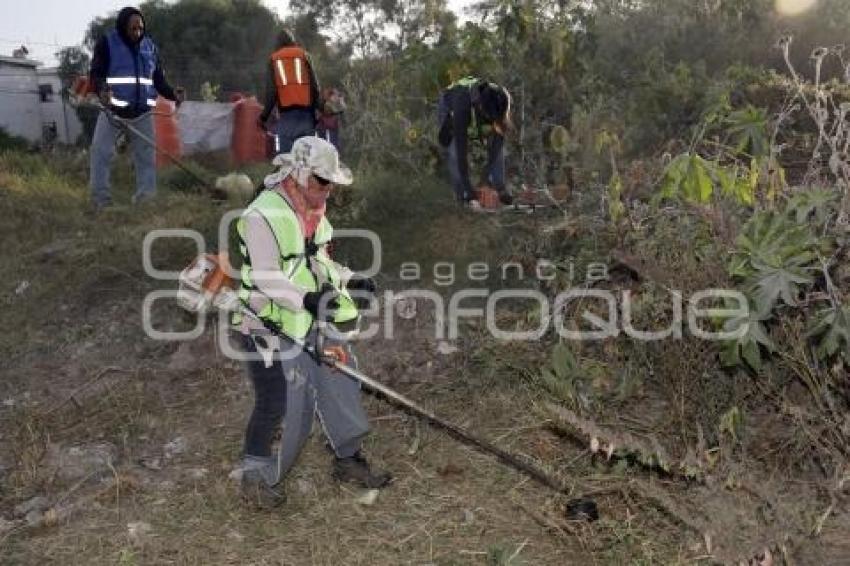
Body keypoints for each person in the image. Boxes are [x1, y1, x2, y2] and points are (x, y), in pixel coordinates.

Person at [232, 136, 391, 508]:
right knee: (277, 402)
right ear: (299, 174)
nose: (328, 188)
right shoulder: (261, 215)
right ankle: (255, 480)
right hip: (267, 324)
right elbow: (266, 275)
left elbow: (315, 261)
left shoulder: (312, 211)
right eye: (322, 180)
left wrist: (350, 278)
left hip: (309, 318)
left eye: (331, 181)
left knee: (340, 377)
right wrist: (306, 299)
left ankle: (347, 460)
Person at [88, 6, 184, 209]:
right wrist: (102, 89)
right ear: (123, 27)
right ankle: (100, 201)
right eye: (133, 29)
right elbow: (96, 73)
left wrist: (172, 93)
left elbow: (159, 80)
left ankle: (146, 199)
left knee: (146, 158)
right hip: (112, 111)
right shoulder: (107, 43)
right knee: (100, 152)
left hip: (142, 114)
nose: (137, 33)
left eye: (140, 28)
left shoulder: (150, 47)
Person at [437, 77, 514, 207]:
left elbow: (497, 145)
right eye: (491, 120)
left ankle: (500, 188)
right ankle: (462, 196)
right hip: (450, 106)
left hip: (479, 112)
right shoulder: (462, 108)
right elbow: (461, 154)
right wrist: (471, 193)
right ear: (480, 108)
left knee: (497, 146)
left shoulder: (502, 99)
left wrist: (484, 180)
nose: (493, 123)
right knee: (454, 152)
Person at [258, 30, 320, 154]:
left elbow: (271, 93)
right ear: (293, 41)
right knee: (308, 160)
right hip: (306, 116)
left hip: (287, 117)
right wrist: (317, 111)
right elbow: (315, 87)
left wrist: (263, 117)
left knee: (287, 161)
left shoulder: (274, 59)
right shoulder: (304, 55)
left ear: (278, 43)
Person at [316, 87, 346, 152]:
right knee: (325, 142)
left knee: (332, 143)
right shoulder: (326, 100)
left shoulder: (335, 100)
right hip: (325, 123)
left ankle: (333, 154)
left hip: (329, 123)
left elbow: (342, 109)